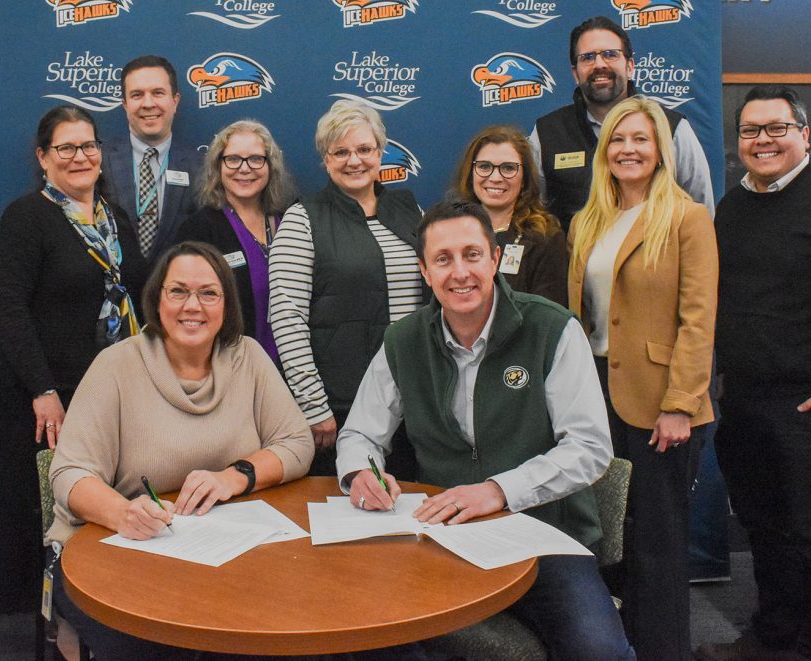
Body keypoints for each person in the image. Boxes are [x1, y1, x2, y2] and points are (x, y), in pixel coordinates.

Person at [336, 200, 633, 661]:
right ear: (424, 271)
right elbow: (359, 435)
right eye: (443, 259)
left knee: (600, 652)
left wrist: (497, 491)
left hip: (543, 536)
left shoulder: (552, 329)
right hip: (442, 537)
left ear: (495, 259)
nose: (460, 272)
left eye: (472, 255)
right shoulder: (403, 340)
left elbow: (589, 448)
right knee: (366, 631)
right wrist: (361, 474)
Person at [47, 241, 314, 658]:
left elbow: (297, 443)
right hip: (114, 551)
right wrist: (123, 513)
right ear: (157, 300)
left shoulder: (248, 356)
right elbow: (69, 473)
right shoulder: (117, 365)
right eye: (178, 291)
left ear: (227, 304)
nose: (193, 306)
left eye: (208, 293)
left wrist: (234, 477)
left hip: (222, 554)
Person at [568, 96, 717, 661]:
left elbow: (698, 319)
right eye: (618, 139)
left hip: (661, 404)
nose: (628, 149)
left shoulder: (686, 218)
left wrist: (680, 403)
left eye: (640, 139)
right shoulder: (587, 221)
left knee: (658, 544)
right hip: (595, 397)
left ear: (660, 151)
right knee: (607, 539)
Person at [0, 106, 148, 614]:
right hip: (46, 396)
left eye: (89, 146)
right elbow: (8, 308)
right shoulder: (26, 217)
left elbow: (137, 295)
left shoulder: (114, 218)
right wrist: (42, 389)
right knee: (42, 506)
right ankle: (41, 617)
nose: (80, 157)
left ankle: (101, 608)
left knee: (102, 502)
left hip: (108, 390)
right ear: (43, 157)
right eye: (66, 148)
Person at [695, 85, 811, 661]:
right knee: (764, 527)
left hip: (802, 404)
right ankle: (773, 638)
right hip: (742, 398)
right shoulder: (732, 207)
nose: (762, 140)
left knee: (807, 532)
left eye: (776, 128)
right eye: (750, 131)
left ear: (804, 134)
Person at [269, 100, 424, 476]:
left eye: (364, 149)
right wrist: (313, 405)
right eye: (340, 152)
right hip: (341, 408)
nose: (354, 160)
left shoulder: (410, 211)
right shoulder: (303, 218)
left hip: (414, 402)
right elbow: (287, 317)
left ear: (381, 152)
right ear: (325, 159)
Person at [529, 15, 713, 231]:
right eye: (587, 57)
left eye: (610, 54)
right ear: (575, 73)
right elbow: (532, 217)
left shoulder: (672, 128)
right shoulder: (547, 133)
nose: (599, 64)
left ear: (630, 66)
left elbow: (702, 215)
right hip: (574, 252)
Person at [175, 120, 296, 367]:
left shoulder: (291, 221)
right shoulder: (198, 230)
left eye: (255, 159)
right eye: (233, 159)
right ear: (218, 166)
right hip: (228, 368)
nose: (244, 168)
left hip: (292, 368)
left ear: (270, 165)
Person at [452, 124, 568, 306]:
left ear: (524, 179)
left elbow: (548, 315)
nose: (495, 178)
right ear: (470, 174)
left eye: (508, 168)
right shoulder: (450, 232)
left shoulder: (545, 238)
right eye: (484, 166)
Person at [102, 54, 202, 266]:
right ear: (125, 104)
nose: (148, 104)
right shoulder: (98, 161)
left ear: (175, 101)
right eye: (137, 95)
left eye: (158, 93)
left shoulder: (201, 167)